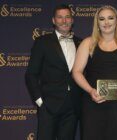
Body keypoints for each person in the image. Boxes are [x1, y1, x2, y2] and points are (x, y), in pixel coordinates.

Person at [72, 5, 117, 140]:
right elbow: (77, 72)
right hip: (93, 103)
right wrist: (90, 91)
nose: (106, 22)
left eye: (110, 18)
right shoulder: (88, 43)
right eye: (102, 19)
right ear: (97, 22)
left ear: (116, 21)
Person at [25, 4, 82, 140]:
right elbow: (31, 74)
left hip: (73, 107)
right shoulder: (42, 42)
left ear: (72, 20)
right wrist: (40, 102)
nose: (64, 21)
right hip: (48, 106)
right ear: (53, 20)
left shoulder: (81, 43)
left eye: (67, 17)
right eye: (60, 17)